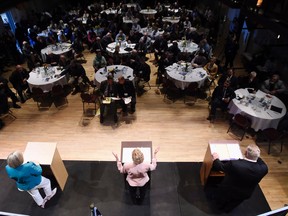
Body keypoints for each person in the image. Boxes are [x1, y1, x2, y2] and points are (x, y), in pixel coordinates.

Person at [211, 144, 268, 212]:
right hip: (245, 193)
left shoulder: (235, 164)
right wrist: (255, 154)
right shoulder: (264, 168)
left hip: (229, 189)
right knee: (233, 204)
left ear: (245, 153)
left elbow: (220, 167)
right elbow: (260, 161)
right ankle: (227, 210)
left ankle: (218, 208)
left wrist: (216, 159)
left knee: (221, 200)